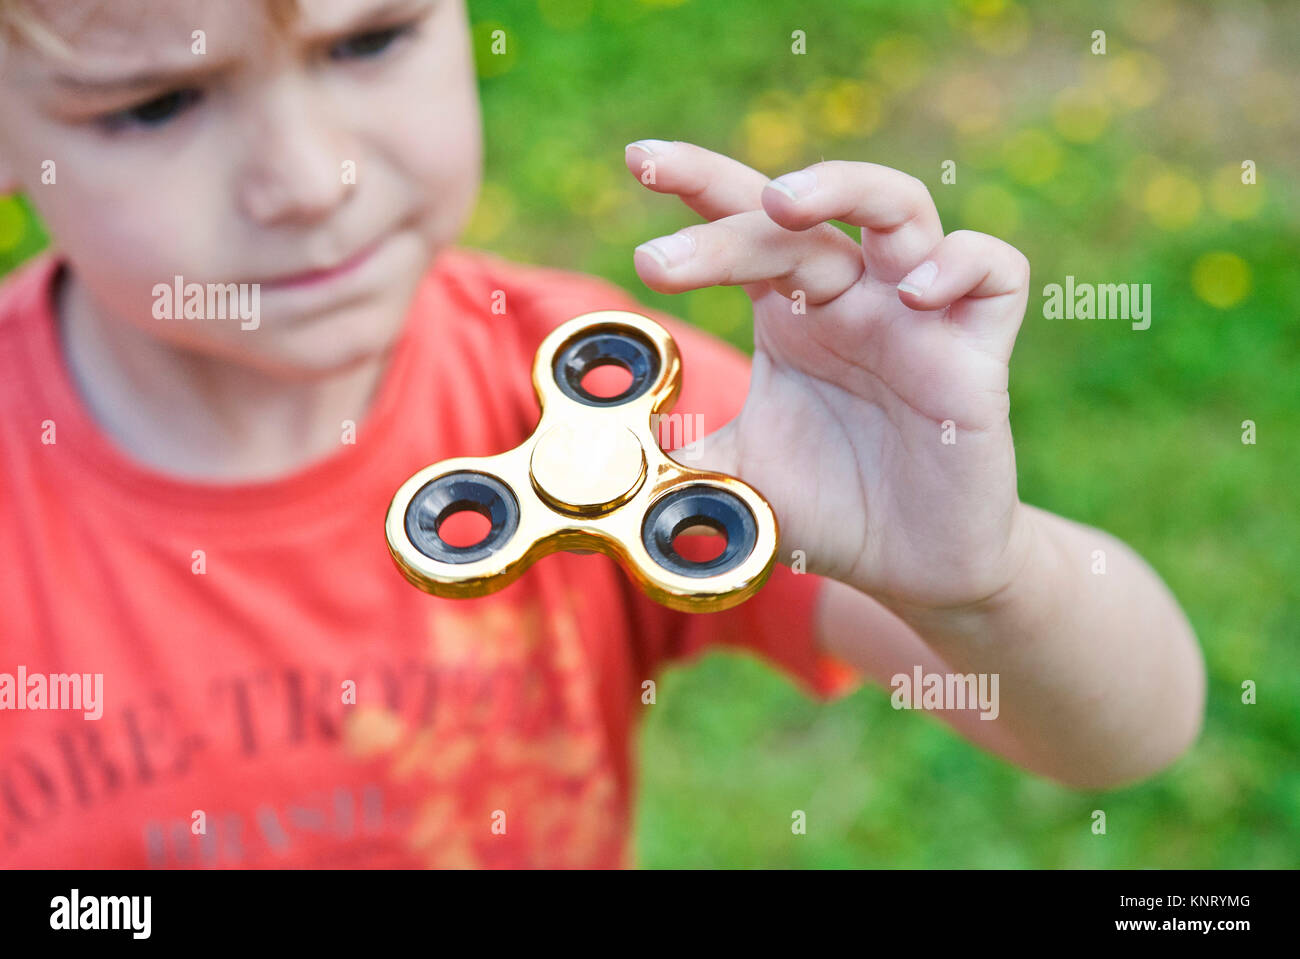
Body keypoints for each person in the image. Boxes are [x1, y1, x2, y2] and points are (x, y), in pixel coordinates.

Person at [0, 0, 1204, 868]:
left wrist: (977, 578)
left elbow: (1130, 731)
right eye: (154, 103)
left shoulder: (592, 401)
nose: (309, 178)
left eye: (367, 39)